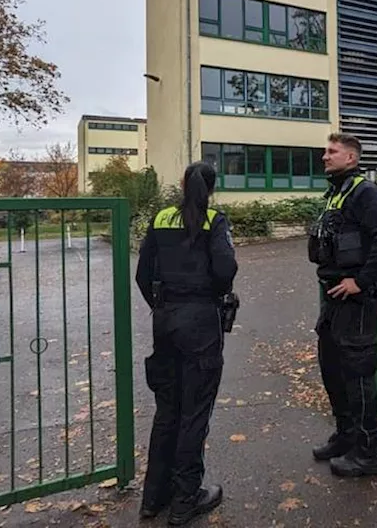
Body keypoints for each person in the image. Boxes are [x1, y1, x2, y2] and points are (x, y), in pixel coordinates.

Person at [135, 161, 238, 524]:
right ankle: (185, 500)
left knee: (168, 411)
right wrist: (205, 299)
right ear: (211, 188)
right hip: (200, 325)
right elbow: (225, 272)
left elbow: (142, 273)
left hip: (165, 322)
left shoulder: (161, 218)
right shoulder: (214, 221)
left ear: (182, 184)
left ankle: (153, 498)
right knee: (194, 413)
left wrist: (164, 307)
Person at [308, 132, 377, 477]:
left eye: (331, 151)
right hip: (334, 295)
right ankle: (346, 436)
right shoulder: (337, 193)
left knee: (358, 373)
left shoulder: (365, 192)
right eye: (325, 150)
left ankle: (367, 453)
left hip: (357, 299)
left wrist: (360, 281)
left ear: (351, 158)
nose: (324, 156)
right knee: (333, 368)